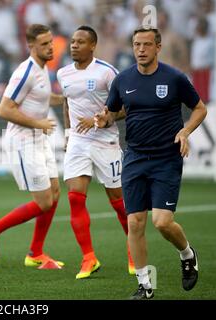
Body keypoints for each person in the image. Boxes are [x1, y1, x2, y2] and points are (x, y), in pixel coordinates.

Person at [94, 26, 207, 299]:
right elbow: (114, 111)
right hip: (134, 157)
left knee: (162, 222)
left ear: (158, 47)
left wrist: (185, 131)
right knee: (134, 223)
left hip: (166, 159)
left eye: (146, 44)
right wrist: (104, 118)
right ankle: (145, 286)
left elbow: (200, 109)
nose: (141, 50)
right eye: (136, 45)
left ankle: (187, 253)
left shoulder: (174, 78)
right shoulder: (123, 80)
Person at [0, 24, 64, 269]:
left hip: (39, 138)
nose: (50, 47)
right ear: (31, 46)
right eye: (44, 44)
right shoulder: (25, 71)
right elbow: (4, 109)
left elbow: (40, 97)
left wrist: (67, 98)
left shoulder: (43, 69)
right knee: (43, 201)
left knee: (55, 193)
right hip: (23, 141)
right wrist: (37, 122)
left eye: (51, 42)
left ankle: (35, 253)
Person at [57, 25, 135, 279]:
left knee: (119, 202)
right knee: (75, 198)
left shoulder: (107, 73)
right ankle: (88, 258)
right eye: (72, 41)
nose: (74, 45)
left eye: (80, 42)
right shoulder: (63, 73)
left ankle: (134, 251)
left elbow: (126, 106)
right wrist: (68, 135)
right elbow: (67, 104)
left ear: (93, 45)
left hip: (105, 143)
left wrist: (106, 119)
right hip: (78, 143)